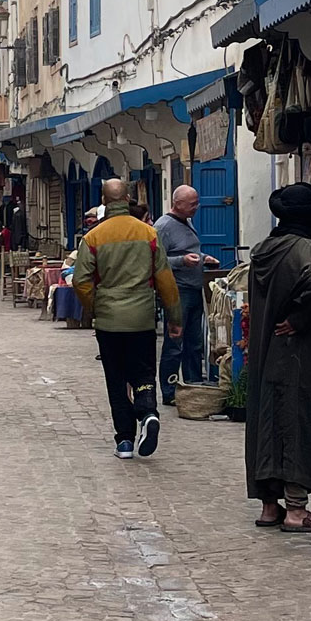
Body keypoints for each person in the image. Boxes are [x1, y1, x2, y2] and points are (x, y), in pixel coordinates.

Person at [245, 184, 311, 533]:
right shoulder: (305, 248)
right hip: (296, 350)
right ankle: (297, 510)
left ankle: (271, 506)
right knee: (296, 419)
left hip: (265, 350)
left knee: (267, 420)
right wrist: (299, 318)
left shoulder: (266, 248)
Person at [73, 179, 180, 460]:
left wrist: (95, 307)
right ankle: (147, 411)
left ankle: (124, 441)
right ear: (128, 198)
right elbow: (166, 280)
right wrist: (174, 316)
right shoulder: (148, 234)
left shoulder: (93, 237)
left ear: (103, 200)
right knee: (144, 371)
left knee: (116, 378)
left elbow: (81, 282)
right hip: (142, 318)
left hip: (109, 321)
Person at [154, 185, 220, 402]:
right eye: (192, 204)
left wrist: (203, 258)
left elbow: (188, 250)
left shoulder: (187, 221)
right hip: (177, 291)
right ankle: (169, 390)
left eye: (197, 202)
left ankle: (193, 385)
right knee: (175, 342)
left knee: (194, 342)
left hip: (193, 288)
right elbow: (155, 260)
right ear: (177, 204)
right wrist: (181, 261)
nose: (196, 207)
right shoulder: (163, 226)